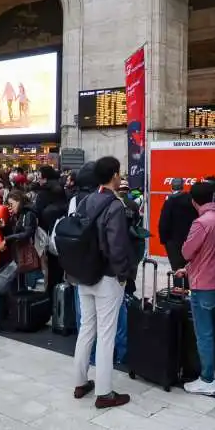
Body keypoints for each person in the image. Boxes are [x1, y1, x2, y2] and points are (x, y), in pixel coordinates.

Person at [72, 156, 134, 409]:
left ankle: (79, 382)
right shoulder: (115, 206)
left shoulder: (86, 201)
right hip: (107, 276)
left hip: (84, 273)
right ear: (115, 175)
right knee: (106, 335)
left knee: (87, 329)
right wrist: (123, 275)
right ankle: (105, 392)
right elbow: (118, 246)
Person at [176, 181, 215, 396]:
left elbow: (187, 251)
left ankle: (207, 379)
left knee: (205, 334)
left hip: (203, 284)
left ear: (193, 201)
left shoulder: (201, 223)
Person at [158, 178, 198, 271]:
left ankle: (178, 285)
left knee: (176, 269)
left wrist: (164, 240)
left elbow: (164, 222)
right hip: (188, 238)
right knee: (188, 267)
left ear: (171, 187)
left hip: (173, 241)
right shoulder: (191, 200)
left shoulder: (170, 201)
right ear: (182, 186)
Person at [4, 190, 41, 290]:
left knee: (31, 282)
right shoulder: (21, 214)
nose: (10, 207)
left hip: (29, 251)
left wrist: (8, 238)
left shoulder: (28, 214)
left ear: (18, 201)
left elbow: (27, 233)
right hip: (23, 251)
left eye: (11, 204)